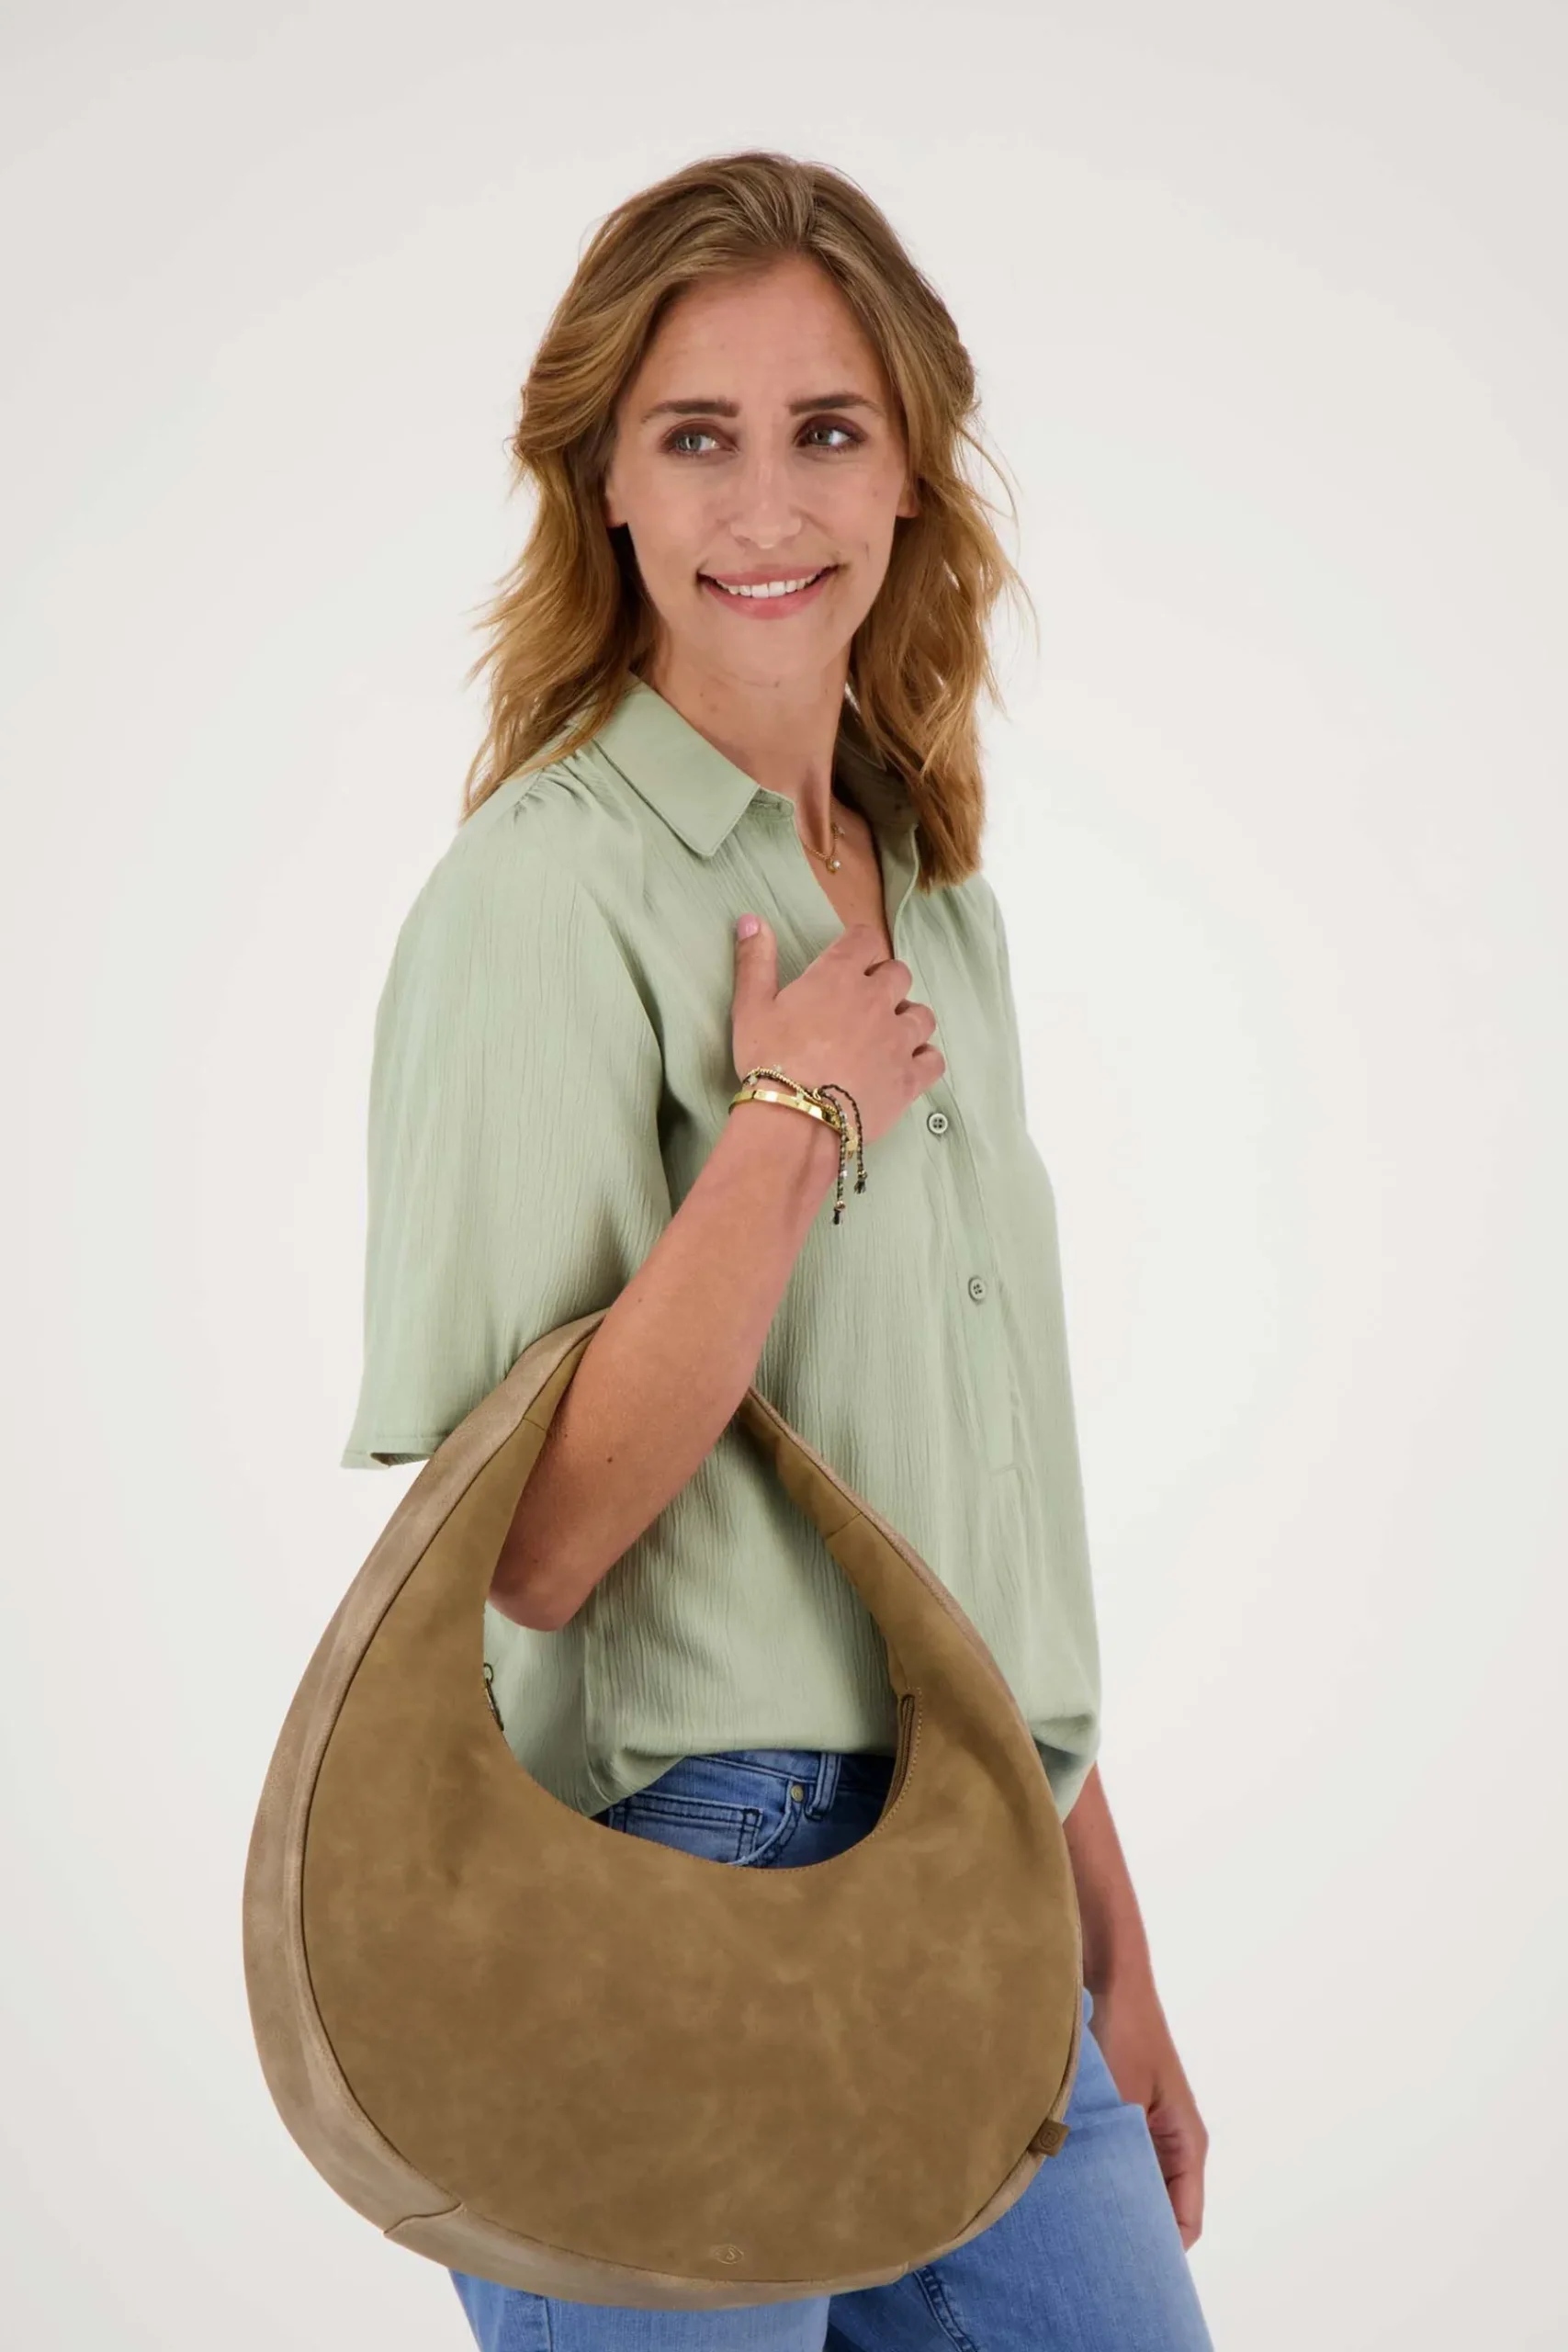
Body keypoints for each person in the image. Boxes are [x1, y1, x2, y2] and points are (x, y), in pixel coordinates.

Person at [341, 149, 1214, 2352]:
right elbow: (531, 1546)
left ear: (909, 469)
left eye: (825, 429)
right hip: (675, 1876)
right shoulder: (541, 896)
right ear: (603, 485)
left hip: (983, 1889)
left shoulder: (932, 901)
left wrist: (1104, 1933)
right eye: (692, 436)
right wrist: (787, 1127)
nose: (765, 504)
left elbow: (959, 1490)